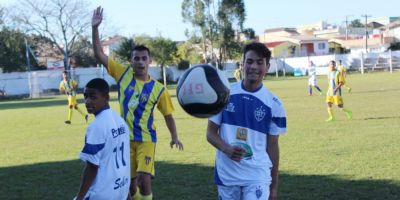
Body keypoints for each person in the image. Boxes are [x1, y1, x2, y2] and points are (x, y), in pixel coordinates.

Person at [91, 7, 184, 200]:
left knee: (144, 179)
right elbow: (99, 54)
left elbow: (168, 116)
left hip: (147, 140)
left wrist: (175, 136)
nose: (140, 62)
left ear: (150, 61)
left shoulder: (159, 89)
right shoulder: (123, 74)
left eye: (144, 58)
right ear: (131, 61)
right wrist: (95, 29)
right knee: (130, 188)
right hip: (125, 140)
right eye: (136, 59)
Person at [206, 42, 287, 200]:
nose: (254, 67)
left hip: (258, 175)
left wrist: (274, 187)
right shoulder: (224, 94)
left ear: (267, 66)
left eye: (259, 62)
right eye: (249, 61)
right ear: (242, 64)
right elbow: (210, 133)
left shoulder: (275, 104)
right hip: (227, 175)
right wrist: (226, 149)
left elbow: (273, 147)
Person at [75, 78, 130, 200]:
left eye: (93, 97)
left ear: (106, 97)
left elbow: (91, 167)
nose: (87, 101)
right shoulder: (121, 122)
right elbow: (124, 163)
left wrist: (79, 198)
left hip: (101, 193)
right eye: (85, 96)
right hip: (120, 190)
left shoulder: (96, 126)